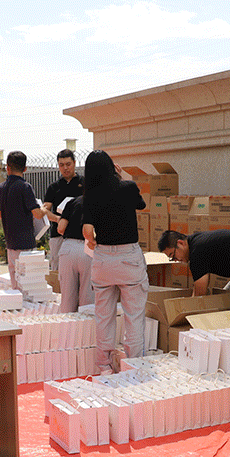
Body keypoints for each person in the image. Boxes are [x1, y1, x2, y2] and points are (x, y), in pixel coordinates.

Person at [81, 149, 149, 373]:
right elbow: (141, 204)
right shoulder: (127, 187)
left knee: (103, 317)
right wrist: (120, 177)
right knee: (134, 316)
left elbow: (87, 232)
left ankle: (104, 367)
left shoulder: (90, 195)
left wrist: (94, 242)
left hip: (103, 259)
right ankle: (133, 366)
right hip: (128, 258)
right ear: (112, 167)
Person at [157, 229, 230, 303]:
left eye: (173, 255)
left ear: (180, 243)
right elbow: (198, 289)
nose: (175, 260)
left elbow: (200, 294)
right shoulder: (195, 241)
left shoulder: (197, 253)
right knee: (224, 302)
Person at [0, 150, 46, 290]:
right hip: (26, 243)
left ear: (7, 167)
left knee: (15, 283)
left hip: (10, 242)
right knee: (29, 285)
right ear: (25, 168)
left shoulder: (0, 188)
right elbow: (37, 214)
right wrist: (44, 209)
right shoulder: (25, 187)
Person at [43, 149, 83, 273]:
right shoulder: (53, 187)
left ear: (74, 163)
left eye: (68, 164)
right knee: (58, 271)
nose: (65, 168)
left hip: (81, 235)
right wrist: (58, 219)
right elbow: (44, 210)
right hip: (58, 235)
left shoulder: (85, 183)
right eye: (61, 165)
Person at [56, 195, 93, 312]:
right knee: (87, 299)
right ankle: (85, 324)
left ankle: (67, 323)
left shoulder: (72, 202)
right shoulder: (101, 203)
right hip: (89, 248)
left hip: (68, 248)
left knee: (67, 298)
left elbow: (60, 228)